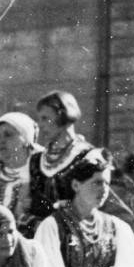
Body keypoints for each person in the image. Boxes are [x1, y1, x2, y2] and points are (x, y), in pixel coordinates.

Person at [26, 90, 95, 229]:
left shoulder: (88, 156)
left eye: (45, 118)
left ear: (62, 116)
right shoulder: (36, 160)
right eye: (39, 119)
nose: (40, 124)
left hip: (77, 233)